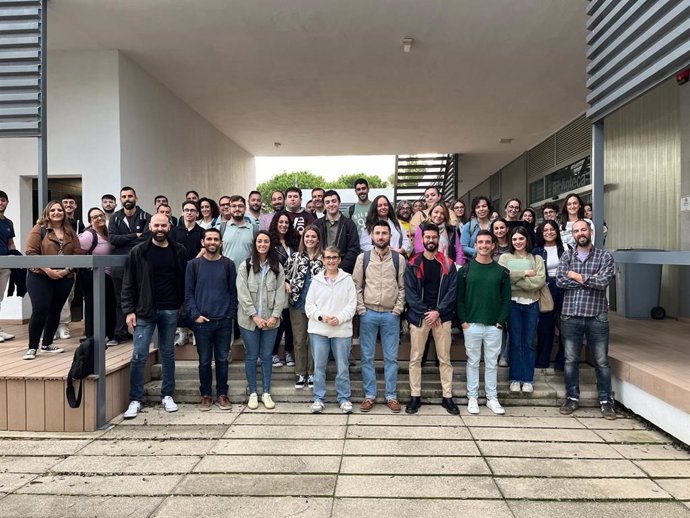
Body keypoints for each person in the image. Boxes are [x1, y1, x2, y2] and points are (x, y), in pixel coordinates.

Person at [121, 214, 187, 419]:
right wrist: (129, 310)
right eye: (156, 225)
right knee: (139, 355)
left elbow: (184, 279)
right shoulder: (139, 251)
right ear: (150, 226)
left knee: (167, 354)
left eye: (163, 225)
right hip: (144, 310)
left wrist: (182, 306)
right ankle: (135, 399)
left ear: (169, 227)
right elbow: (128, 282)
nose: (160, 228)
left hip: (170, 309)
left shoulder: (179, 250)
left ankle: (167, 395)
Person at [557, 219, 616, 420]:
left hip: (596, 316)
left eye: (583, 229)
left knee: (601, 361)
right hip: (571, 315)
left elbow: (603, 282)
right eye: (576, 231)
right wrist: (588, 278)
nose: (580, 233)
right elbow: (560, 281)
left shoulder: (604, 256)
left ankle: (606, 401)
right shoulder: (566, 255)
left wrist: (577, 276)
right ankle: (572, 397)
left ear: (590, 231)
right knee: (571, 360)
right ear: (572, 234)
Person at [405, 223, 459, 415]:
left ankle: (447, 397)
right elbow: (410, 293)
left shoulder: (448, 263)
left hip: (442, 318)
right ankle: (415, 397)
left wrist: (438, 311)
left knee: (445, 359)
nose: (430, 240)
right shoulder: (413, 263)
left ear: (438, 239)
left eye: (433, 237)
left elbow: (453, 292)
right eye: (427, 237)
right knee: (415, 358)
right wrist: (426, 313)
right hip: (420, 318)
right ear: (422, 239)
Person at [352, 220, 406, 413]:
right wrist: (361, 309)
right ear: (372, 236)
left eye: (385, 233)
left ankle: (391, 396)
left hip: (391, 315)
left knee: (391, 358)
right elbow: (356, 285)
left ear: (390, 236)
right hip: (369, 313)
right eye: (378, 233)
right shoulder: (363, 258)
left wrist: (398, 309)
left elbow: (402, 287)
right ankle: (370, 395)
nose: (381, 236)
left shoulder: (398, 259)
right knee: (367, 357)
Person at [456, 230, 511, 415]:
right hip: (471, 325)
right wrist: (463, 321)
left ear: (493, 245)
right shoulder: (465, 270)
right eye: (480, 242)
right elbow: (459, 299)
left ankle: (491, 398)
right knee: (472, 362)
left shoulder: (501, 272)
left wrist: (500, 322)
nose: (484, 245)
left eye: (488, 242)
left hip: (493, 326)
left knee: (491, 363)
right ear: (476, 245)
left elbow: (506, 299)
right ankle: (472, 397)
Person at [185, 228, 238, 411]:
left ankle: (222, 394)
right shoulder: (193, 265)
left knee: (223, 359)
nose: (212, 242)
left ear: (221, 243)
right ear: (203, 242)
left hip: (223, 320)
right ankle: (206, 395)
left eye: (216, 239)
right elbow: (189, 293)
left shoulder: (228, 265)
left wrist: (230, 314)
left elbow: (233, 292)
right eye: (209, 239)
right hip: (202, 322)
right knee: (205, 360)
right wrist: (195, 315)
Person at [23, 201, 83, 360]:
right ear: (47, 213)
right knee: (40, 309)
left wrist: (66, 271)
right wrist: (48, 270)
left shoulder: (70, 232)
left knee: (55, 310)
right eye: (53, 210)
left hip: (65, 276)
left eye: (59, 210)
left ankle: (47, 343)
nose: (57, 212)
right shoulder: (39, 229)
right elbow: (31, 253)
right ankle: (32, 347)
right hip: (40, 276)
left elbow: (78, 254)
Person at [236, 230, 286, 410]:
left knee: (266, 356)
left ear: (270, 244)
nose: (262, 244)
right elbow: (242, 294)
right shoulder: (245, 266)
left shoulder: (277, 266)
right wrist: (254, 316)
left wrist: (274, 316)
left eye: (265, 241)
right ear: (255, 244)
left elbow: (281, 293)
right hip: (249, 320)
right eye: (259, 241)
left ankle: (266, 392)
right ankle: (252, 393)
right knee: (251, 356)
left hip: (271, 321)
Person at [305, 245, 357, 413]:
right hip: (319, 330)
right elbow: (309, 307)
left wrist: (339, 318)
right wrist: (322, 317)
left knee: (342, 366)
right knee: (319, 366)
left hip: (341, 330)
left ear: (339, 260)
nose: (331, 261)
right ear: (323, 260)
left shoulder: (347, 279)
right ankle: (319, 399)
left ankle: (344, 398)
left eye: (334, 257)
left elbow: (352, 305)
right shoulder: (316, 280)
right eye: (328, 258)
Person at [498, 227, 546, 393]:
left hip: (532, 304)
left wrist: (516, 279)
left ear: (527, 240)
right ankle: (515, 378)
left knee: (529, 342)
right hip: (512, 304)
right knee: (515, 342)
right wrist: (525, 273)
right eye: (514, 239)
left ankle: (527, 379)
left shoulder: (536, 258)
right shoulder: (505, 257)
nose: (517, 242)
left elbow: (539, 281)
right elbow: (503, 276)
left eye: (521, 239)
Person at [108, 186, 152, 345]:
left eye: (130, 196)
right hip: (119, 267)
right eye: (124, 196)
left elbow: (146, 239)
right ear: (120, 200)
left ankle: (139, 333)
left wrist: (125, 240)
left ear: (136, 198)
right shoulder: (115, 218)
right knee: (120, 300)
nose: (127, 199)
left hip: (140, 265)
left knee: (141, 298)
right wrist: (134, 235)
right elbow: (113, 239)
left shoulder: (146, 217)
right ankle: (120, 334)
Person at [284, 225, 324, 389]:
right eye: (307, 236)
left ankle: (313, 372)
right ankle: (301, 373)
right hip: (298, 303)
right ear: (303, 238)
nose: (310, 239)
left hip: (317, 305)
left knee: (314, 340)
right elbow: (285, 274)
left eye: (313, 237)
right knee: (299, 340)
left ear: (318, 239)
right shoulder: (295, 257)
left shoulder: (323, 258)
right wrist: (287, 283)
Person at [533, 220, 567, 370]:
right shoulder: (536, 251)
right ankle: (542, 361)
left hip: (564, 288)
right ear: (541, 233)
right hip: (546, 289)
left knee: (566, 327)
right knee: (545, 328)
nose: (549, 232)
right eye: (545, 230)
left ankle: (561, 361)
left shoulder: (565, 248)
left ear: (557, 231)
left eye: (552, 229)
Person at [79, 207, 116, 344]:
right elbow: (77, 252)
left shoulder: (108, 233)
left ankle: (108, 334)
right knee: (92, 305)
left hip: (108, 275)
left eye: (101, 215)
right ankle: (91, 337)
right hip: (92, 274)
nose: (99, 218)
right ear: (90, 221)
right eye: (95, 217)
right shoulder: (88, 235)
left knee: (109, 305)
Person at [169, 200, 204, 346]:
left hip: (197, 272)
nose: (189, 213)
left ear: (197, 213)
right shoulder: (175, 231)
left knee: (196, 302)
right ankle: (183, 333)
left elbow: (205, 247)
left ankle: (196, 332)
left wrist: (196, 259)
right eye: (186, 210)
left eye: (192, 210)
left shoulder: (202, 232)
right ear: (182, 212)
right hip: (178, 273)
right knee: (180, 304)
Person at [268, 211, 298, 367]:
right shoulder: (270, 243)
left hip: (293, 288)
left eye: (286, 222)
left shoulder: (293, 242)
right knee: (278, 320)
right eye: (281, 222)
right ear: (275, 223)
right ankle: (273, 353)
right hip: (277, 287)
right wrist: (284, 280)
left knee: (290, 322)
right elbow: (271, 265)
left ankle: (288, 352)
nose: (284, 225)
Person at [56, 194, 86, 340]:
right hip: (52, 264)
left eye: (71, 203)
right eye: (65, 202)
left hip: (70, 265)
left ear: (75, 206)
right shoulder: (49, 225)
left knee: (68, 295)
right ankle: (51, 327)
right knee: (50, 297)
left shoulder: (79, 224)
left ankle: (63, 326)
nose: (68, 205)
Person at [314, 190, 360, 273]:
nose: (331, 204)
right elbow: (313, 247)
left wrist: (340, 269)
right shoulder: (317, 224)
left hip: (344, 271)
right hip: (321, 270)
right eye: (327, 202)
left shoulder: (349, 224)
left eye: (334, 201)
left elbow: (354, 249)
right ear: (324, 205)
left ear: (339, 203)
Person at [412, 201, 464, 265]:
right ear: (431, 213)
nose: (439, 215)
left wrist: (458, 266)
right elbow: (419, 250)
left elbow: (459, 251)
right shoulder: (422, 227)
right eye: (436, 212)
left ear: (446, 215)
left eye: (442, 213)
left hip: (448, 267)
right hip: (426, 266)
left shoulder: (451, 230)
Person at [489, 217, 511, 367]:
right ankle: (497, 354)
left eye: (502, 227)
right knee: (498, 324)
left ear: (507, 228)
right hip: (493, 291)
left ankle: (506, 355)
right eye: (496, 228)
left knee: (509, 325)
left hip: (512, 289)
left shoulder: (513, 246)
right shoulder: (490, 247)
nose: (499, 231)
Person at [218, 195, 254, 269]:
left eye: (240, 206)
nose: (237, 209)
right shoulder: (221, 228)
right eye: (233, 206)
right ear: (229, 208)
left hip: (248, 274)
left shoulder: (254, 229)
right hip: (226, 273)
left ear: (245, 209)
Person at [0, 190, 16, 342]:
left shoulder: (8, 222)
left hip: (5, 264)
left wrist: (15, 257)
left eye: (3, 200)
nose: (0, 203)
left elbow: (10, 243)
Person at [461, 196, 492, 260]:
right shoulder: (468, 226)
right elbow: (463, 247)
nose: (481, 209)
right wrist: (479, 252)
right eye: (478, 207)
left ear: (488, 208)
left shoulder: (494, 225)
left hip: (492, 260)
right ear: (474, 210)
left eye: (484, 206)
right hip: (473, 261)